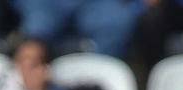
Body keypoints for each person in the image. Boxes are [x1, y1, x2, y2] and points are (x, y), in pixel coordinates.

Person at [12, 0, 143, 58]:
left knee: (118, 21)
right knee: (33, 40)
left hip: (95, 4)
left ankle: (94, 88)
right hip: (45, 4)